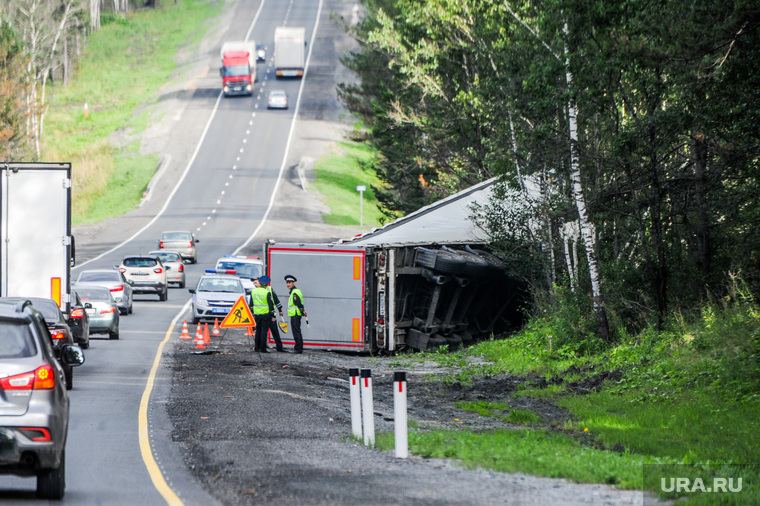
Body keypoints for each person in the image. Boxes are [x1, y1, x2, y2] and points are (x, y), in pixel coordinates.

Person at [250, 276, 275, 353]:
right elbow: (271, 305)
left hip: (257, 314)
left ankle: (256, 347)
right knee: (264, 331)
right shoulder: (267, 292)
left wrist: (253, 313)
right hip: (265, 314)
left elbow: (251, 304)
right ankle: (263, 348)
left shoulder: (253, 291)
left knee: (258, 331)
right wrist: (273, 315)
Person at [261, 276, 286, 352]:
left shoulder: (261, 290)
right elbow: (276, 300)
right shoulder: (268, 290)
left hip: (264, 314)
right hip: (270, 314)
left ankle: (262, 348)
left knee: (264, 332)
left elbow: (275, 300)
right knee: (274, 331)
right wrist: (280, 310)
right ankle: (279, 347)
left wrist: (280, 310)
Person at [284, 274, 307, 354]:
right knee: (297, 331)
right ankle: (298, 347)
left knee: (296, 331)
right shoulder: (295, 291)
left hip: (295, 314)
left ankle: (298, 348)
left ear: (293, 283)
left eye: (290, 283)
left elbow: (297, 302)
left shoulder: (294, 292)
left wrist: (302, 310)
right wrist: (303, 311)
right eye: (287, 283)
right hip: (296, 314)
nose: (288, 284)